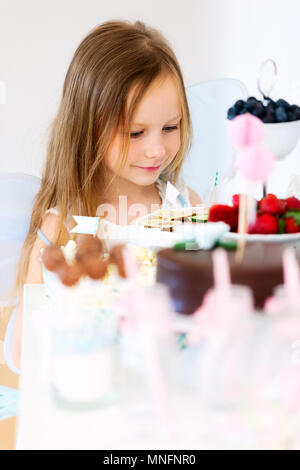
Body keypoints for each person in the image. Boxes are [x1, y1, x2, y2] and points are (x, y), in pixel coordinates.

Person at [5, 19, 202, 373]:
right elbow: (23, 353)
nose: (157, 149)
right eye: (135, 132)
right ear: (87, 129)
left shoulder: (184, 204)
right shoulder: (63, 228)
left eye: (170, 127)